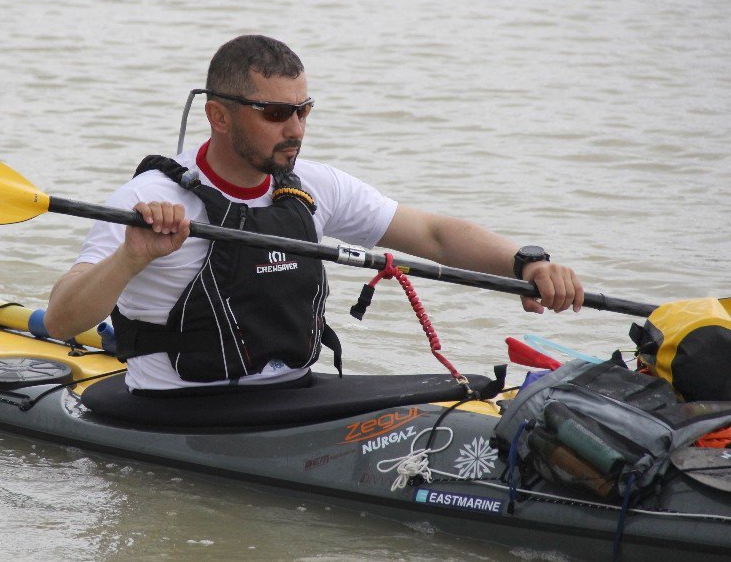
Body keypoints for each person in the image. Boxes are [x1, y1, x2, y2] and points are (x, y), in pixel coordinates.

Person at [45, 35, 584, 391]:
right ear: (218, 116)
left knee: (471, 388)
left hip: (298, 396)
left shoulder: (313, 186)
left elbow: (435, 235)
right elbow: (64, 320)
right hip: (182, 412)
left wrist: (527, 263)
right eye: (276, 113)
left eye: (304, 109)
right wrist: (130, 257)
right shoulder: (147, 200)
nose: (297, 129)